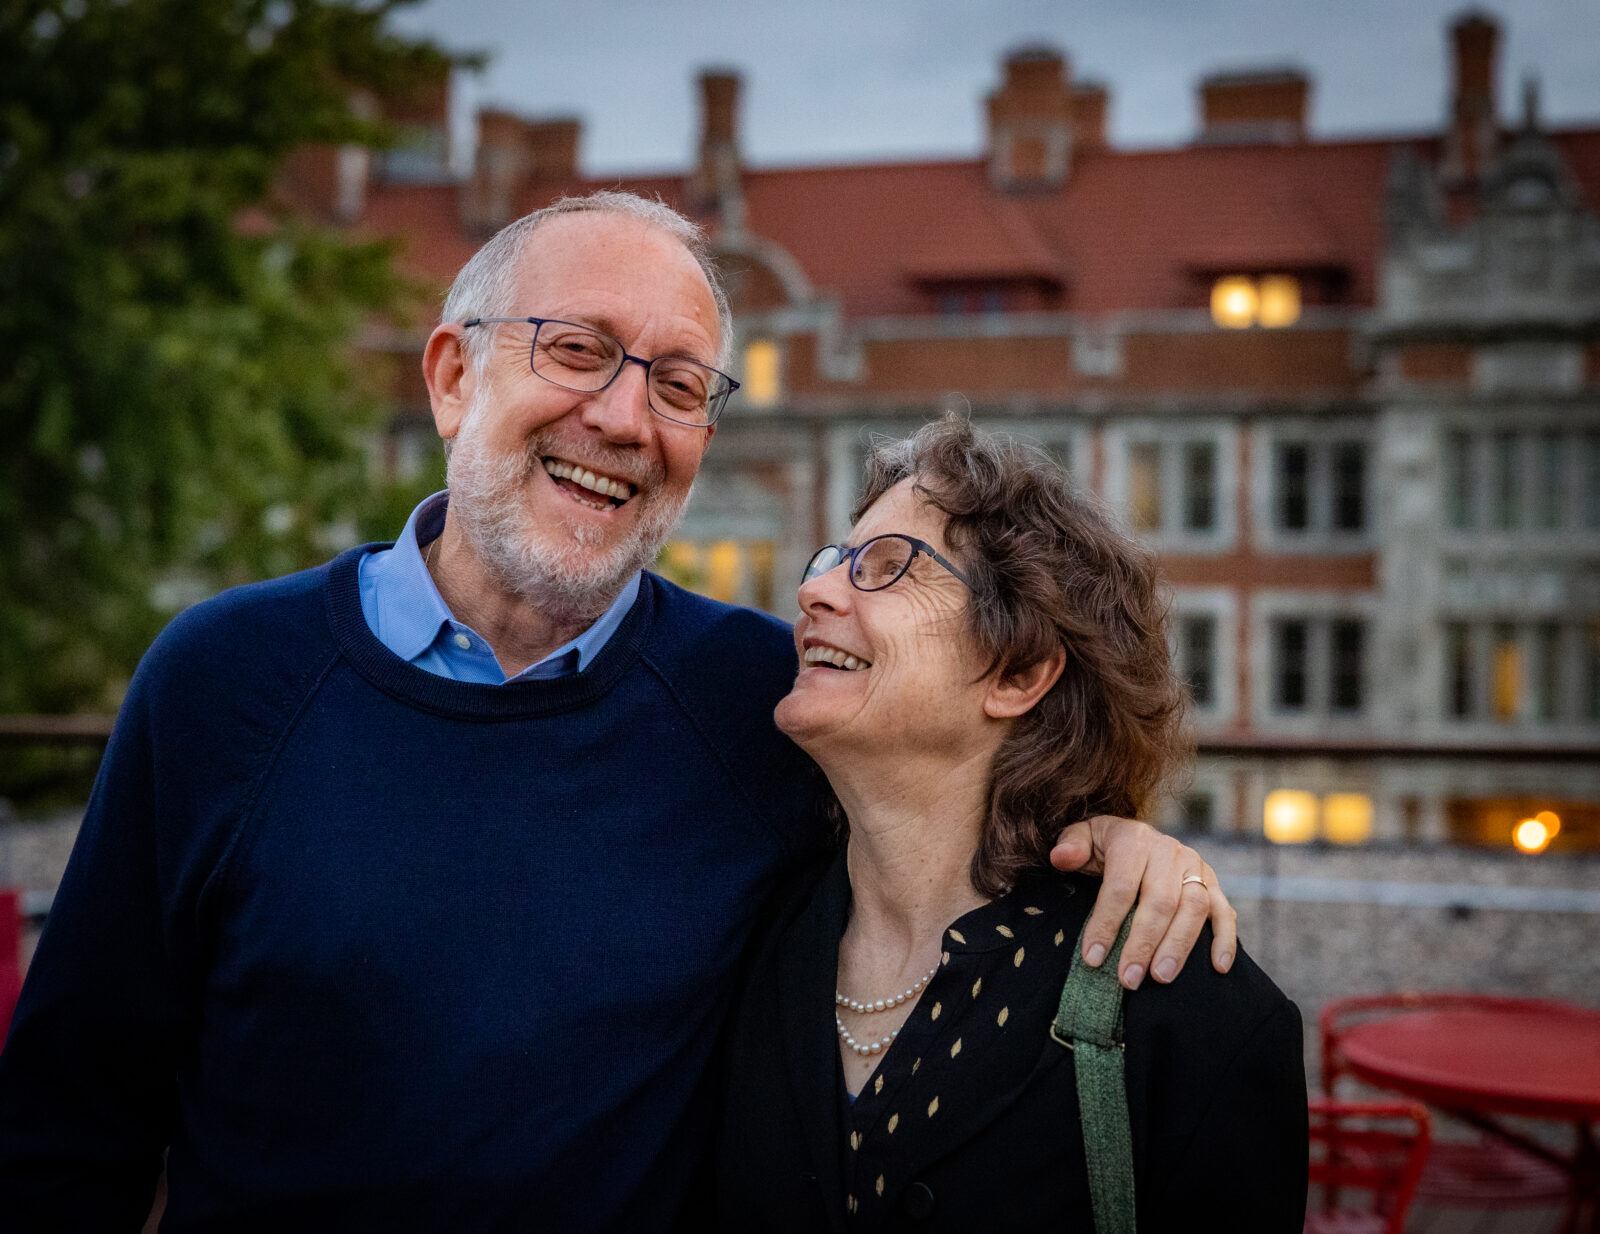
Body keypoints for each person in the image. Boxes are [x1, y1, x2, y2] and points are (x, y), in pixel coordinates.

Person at [0, 193, 1238, 1232]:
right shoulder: (223, 678)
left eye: (680, 384)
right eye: (579, 350)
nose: (623, 419)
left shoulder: (764, 704)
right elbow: (67, 1126)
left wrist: (1120, 839)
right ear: (452, 377)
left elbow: (954, 792)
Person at [715, 416, 1307, 1231]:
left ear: (1019, 673)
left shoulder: (1190, 1016)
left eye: (888, 568)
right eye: (836, 561)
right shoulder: (743, 938)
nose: (813, 593)